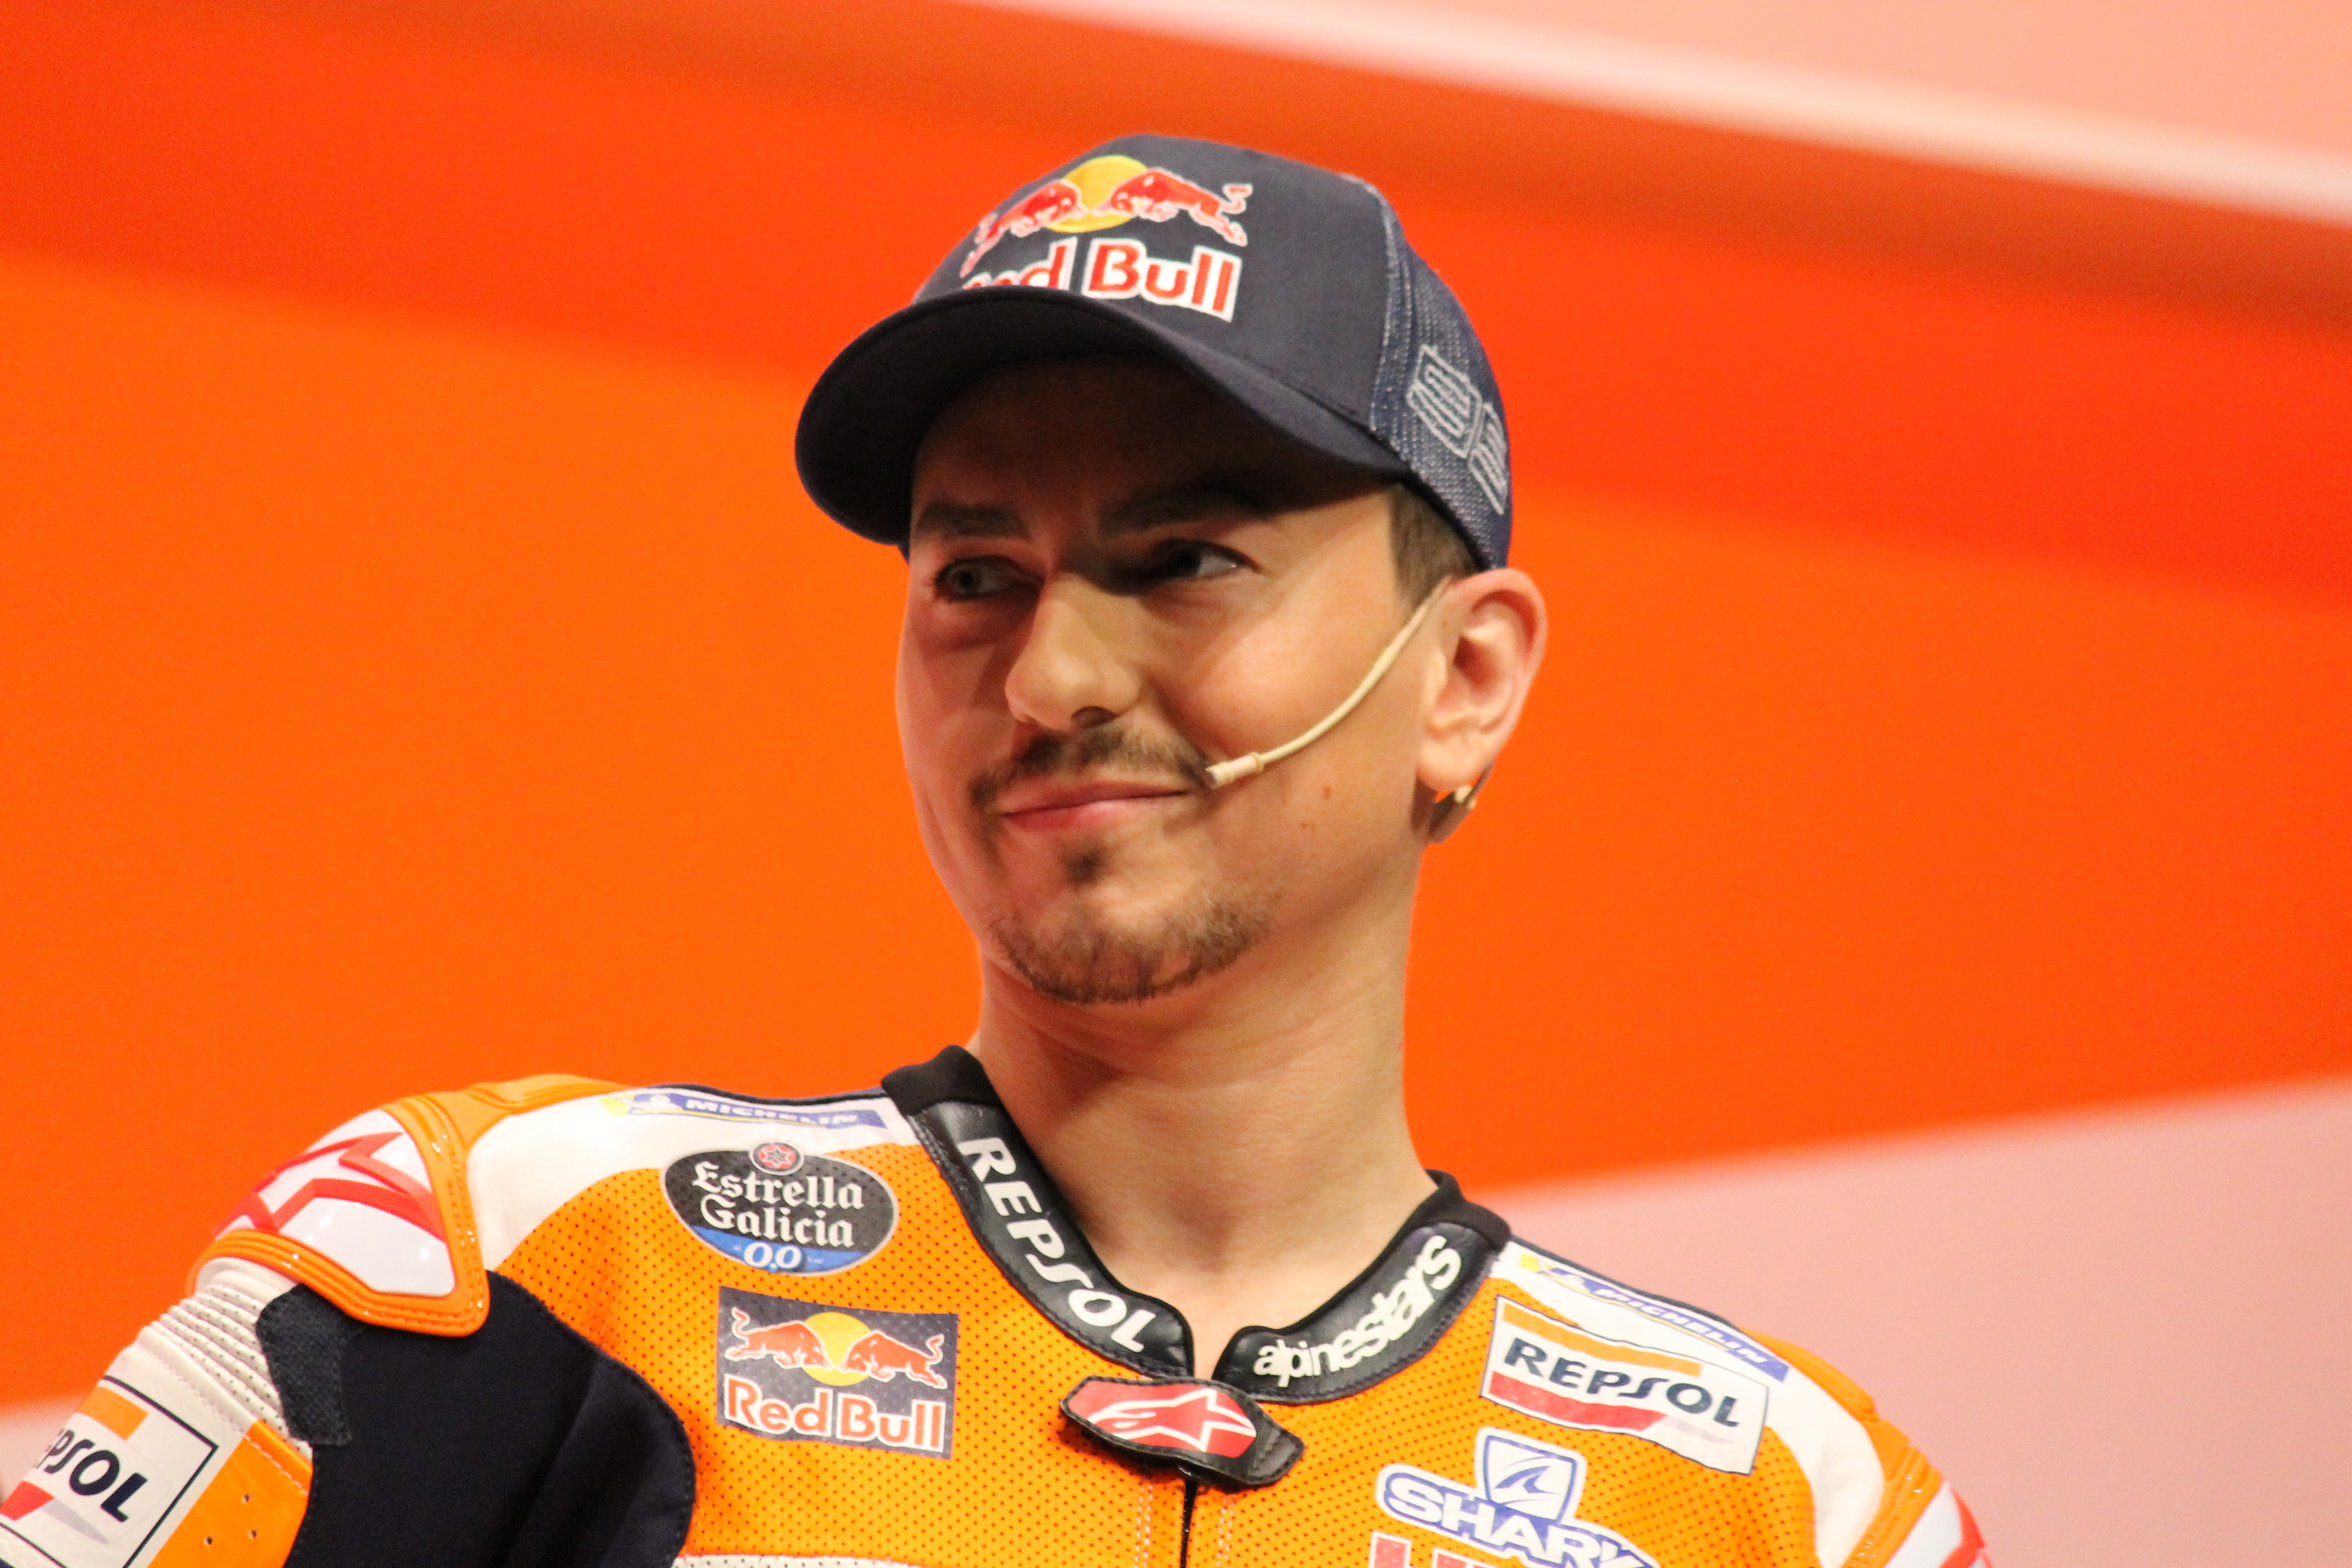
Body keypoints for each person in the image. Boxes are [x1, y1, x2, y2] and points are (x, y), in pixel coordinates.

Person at [2, 134, 1986, 1568]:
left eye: (1182, 561)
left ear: (1463, 679)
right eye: (975, 574)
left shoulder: (1781, 1502)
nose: (1047, 678)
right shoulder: (504, 1259)